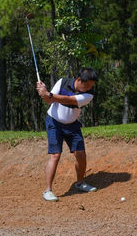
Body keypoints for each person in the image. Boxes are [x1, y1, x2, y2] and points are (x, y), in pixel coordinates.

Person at [36, 67, 98, 202]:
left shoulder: (89, 95)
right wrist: (44, 92)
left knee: (80, 154)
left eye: (91, 86)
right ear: (79, 80)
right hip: (54, 122)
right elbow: (48, 101)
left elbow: (70, 100)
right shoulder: (62, 82)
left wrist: (49, 94)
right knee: (55, 155)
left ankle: (80, 183)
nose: (88, 88)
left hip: (72, 125)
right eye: (86, 85)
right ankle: (48, 190)